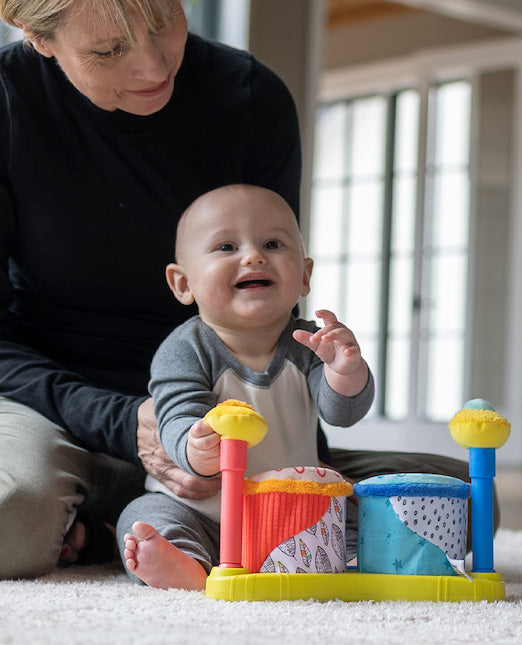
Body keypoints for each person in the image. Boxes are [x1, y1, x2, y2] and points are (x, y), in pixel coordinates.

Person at [0, 0, 492, 579]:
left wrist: (312, 424)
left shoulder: (251, 98)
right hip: (56, 399)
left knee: (460, 504)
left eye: (164, 24)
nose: (154, 66)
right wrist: (123, 422)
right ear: (37, 37)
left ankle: (115, 521)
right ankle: (127, 513)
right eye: (109, 50)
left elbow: (269, 290)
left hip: (231, 411)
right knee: (11, 523)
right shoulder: (10, 103)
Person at [118, 184, 375, 590]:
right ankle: (185, 564)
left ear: (305, 276)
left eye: (272, 243)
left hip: (294, 508)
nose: (253, 256)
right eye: (225, 247)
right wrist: (195, 447)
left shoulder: (310, 343)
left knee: (356, 509)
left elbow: (341, 413)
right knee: (144, 514)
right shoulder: (184, 350)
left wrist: (345, 371)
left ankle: (352, 560)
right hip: (203, 509)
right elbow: (175, 417)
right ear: (183, 283)